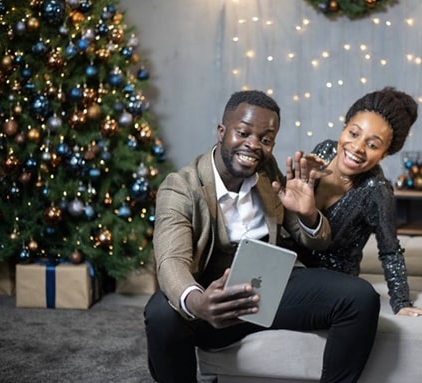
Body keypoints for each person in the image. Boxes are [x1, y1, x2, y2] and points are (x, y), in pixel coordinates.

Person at [144, 90, 381, 383]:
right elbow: (171, 261)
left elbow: (315, 240)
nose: (253, 145)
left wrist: (307, 214)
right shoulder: (181, 187)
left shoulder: (267, 172)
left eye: (266, 139)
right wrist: (198, 303)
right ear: (221, 131)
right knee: (160, 312)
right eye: (243, 132)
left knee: (360, 298)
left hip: (268, 287)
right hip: (212, 299)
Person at [297, 87, 422, 319]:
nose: (357, 148)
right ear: (344, 128)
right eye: (353, 133)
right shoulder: (324, 151)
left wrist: (402, 302)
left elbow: (390, 251)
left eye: (373, 145)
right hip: (293, 265)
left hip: (333, 281)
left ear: (385, 154)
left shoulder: (377, 191)